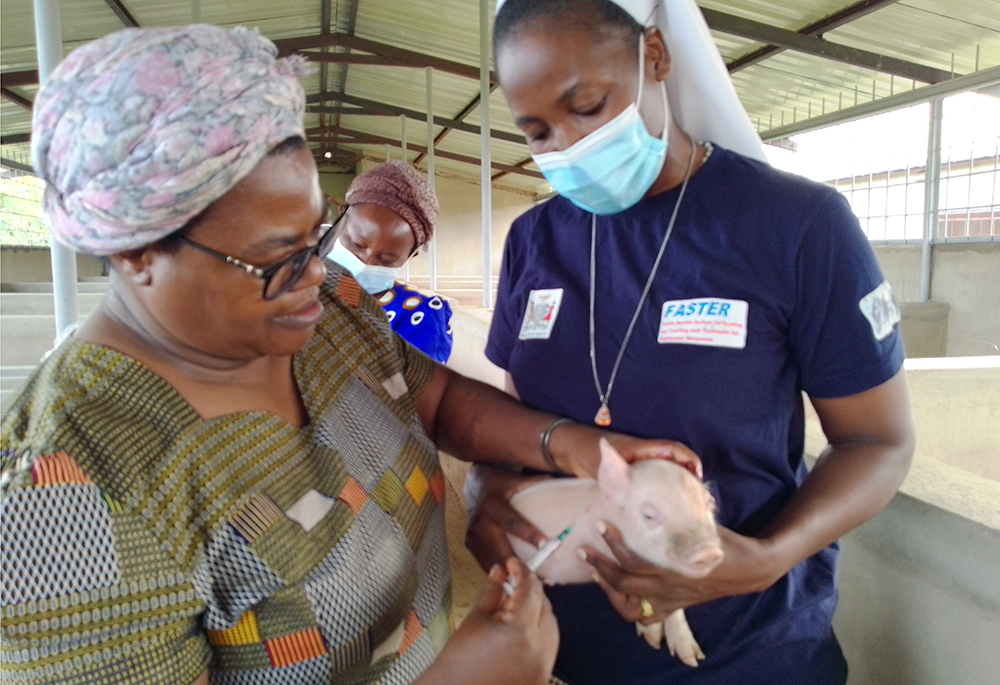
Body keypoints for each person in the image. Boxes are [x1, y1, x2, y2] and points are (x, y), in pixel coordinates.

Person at [0, 24, 701, 685]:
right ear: (136, 254)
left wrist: (566, 444)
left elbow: (436, 396)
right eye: (277, 258)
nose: (318, 273)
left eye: (318, 234)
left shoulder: (326, 305)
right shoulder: (66, 493)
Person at [464, 1, 917, 684]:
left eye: (586, 106)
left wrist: (765, 555)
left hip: (749, 655)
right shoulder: (536, 239)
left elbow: (878, 441)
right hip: (567, 654)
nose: (568, 146)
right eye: (537, 131)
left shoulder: (795, 226)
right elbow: (515, 432)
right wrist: (483, 490)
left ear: (654, 58)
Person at [329, 162, 454, 363]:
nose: (365, 263)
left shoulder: (418, 317)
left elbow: (416, 391)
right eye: (356, 245)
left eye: (386, 260)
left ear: (410, 255)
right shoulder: (299, 285)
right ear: (341, 216)